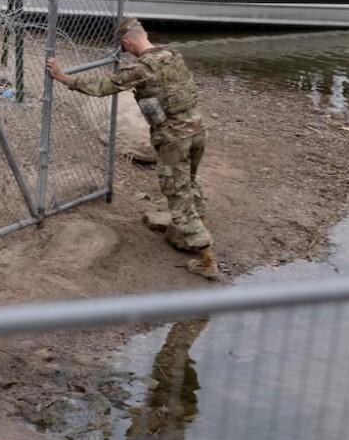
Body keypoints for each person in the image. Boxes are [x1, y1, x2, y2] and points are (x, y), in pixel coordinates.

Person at [46, 17, 220, 280]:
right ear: (144, 34)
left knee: (177, 192)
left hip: (173, 139)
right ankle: (190, 230)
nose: (125, 52)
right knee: (189, 181)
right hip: (197, 130)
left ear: (127, 43)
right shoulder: (173, 55)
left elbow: (99, 88)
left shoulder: (141, 70)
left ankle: (206, 258)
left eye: (124, 47)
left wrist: (62, 77)